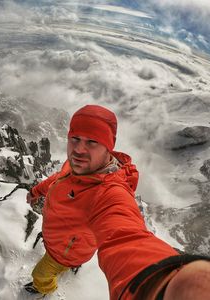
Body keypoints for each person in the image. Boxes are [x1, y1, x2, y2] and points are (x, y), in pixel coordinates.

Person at [25, 104, 210, 300]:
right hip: (61, 240)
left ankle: (44, 288)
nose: (79, 149)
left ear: (108, 147)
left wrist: (157, 283)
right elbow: (57, 179)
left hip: (64, 252)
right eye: (75, 139)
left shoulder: (109, 192)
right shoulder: (76, 166)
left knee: (40, 274)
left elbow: (126, 237)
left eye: (92, 142)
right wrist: (36, 191)